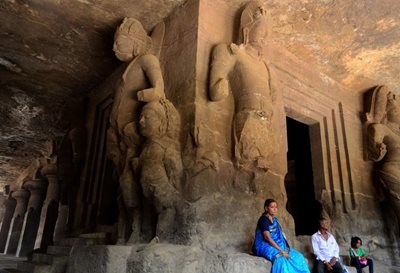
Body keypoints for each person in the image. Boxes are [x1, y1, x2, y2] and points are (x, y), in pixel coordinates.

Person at [209, 0, 277, 171]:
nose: (265, 38)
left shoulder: (267, 67)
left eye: (269, 34)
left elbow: (273, 98)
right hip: (247, 119)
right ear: (247, 30)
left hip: (266, 124)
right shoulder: (232, 53)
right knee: (245, 167)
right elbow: (215, 91)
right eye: (262, 31)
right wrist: (219, 86)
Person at [253, 199, 310, 273]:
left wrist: (284, 249)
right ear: (266, 208)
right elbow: (267, 237)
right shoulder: (263, 220)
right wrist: (281, 250)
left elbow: (280, 235)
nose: (274, 209)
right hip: (264, 245)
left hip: (277, 244)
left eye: (276, 207)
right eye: (272, 207)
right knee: (281, 259)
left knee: (298, 256)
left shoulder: (275, 220)